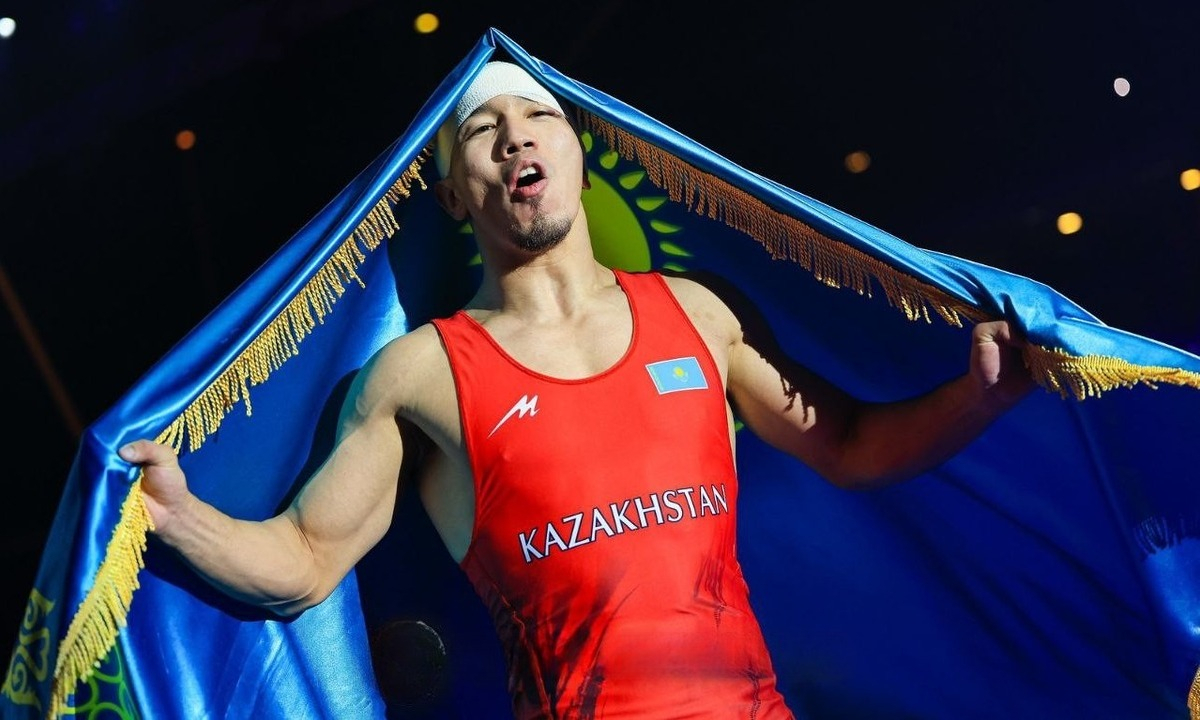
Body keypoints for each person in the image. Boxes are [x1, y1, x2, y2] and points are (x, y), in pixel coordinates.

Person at [118, 61, 1035, 719]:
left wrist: (980, 397)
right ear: (453, 195)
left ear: (576, 153)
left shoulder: (700, 314)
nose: (515, 135)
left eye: (537, 116)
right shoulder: (422, 374)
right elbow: (306, 561)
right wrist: (176, 514)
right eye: (483, 130)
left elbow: (850, 446)